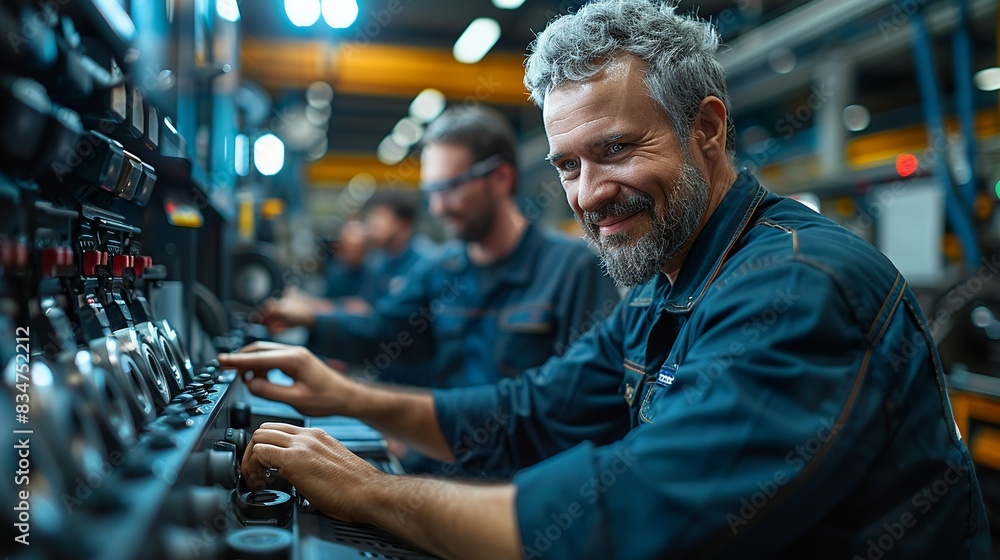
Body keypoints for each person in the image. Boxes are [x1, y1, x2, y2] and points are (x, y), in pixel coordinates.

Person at [219, 1, 991, 558]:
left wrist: (369, 492)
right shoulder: (667, 280)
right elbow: (529, 413)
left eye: (616, 149)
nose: (587, 195)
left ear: (708, 128)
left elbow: (628, 517)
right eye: (567, 165)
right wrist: (343, 397)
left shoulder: (798, 285)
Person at [260, 105, 620, 389]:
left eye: (449, 188)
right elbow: (382, 330)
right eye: (431, 193)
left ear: (501, 178)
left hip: (522, 478)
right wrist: (307, 316)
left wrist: (366, 402)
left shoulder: (571, 270)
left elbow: (577, 397)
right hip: (443, 465)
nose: (436, 208)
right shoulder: (441, 270)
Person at [263, 190, 428, 328]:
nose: (371, 224)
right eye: (370, 217)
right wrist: (302, 302)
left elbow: (373, 316)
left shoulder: (423, 265)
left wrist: (308, 310)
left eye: (379, 217)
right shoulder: (380, 260)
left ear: (403, 224)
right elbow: (362, 305)